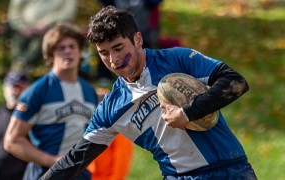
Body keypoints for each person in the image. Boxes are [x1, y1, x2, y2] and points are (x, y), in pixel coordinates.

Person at [40, 6, 257, 180]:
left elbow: (236, 82)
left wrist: (188, 113)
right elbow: (75, 159)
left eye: (118, 48)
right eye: (104, 53)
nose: (113, 60)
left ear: (137, 40)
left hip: (231, 169)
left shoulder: (176, 59)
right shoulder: (111, 108)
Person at [3, 23, 98, 180]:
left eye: (72, 46)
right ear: (50, 54)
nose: (67, 51)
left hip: (80, 175)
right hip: (44, 174)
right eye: (60, 48)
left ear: (80, 51)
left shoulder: (89, 91)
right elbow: (11, 141)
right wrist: (52, 160)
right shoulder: (37, 91)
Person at [0, 70, 29, 180]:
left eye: (19, 87)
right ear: (4, 88)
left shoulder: (33, 118)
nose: (14, 91)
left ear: (27, 89)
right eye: (11, 86)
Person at [6, 0, 77, 71]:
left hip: (52, 29)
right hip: (22, 29)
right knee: (18, 43)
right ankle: (19, 67)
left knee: (42, 42)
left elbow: (68, 13)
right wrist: (23, 27)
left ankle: (19, 68)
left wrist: (48, 22)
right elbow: (13, 13)